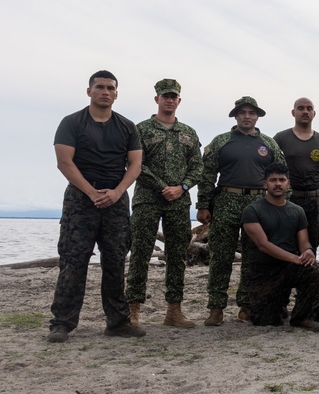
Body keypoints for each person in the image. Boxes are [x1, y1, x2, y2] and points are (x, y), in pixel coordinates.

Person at [48, 70, 145, 343]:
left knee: (115, 261)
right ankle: (62, 324)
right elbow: (64, 163)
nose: (105, 91)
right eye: (100, 87)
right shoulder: (72, 122)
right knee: (73, 261)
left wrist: (117, 192)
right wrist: (91, 192)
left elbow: (135, 164)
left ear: (116, 93)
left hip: (116, 200)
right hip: (80, 200)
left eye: (110, 88)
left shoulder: (127, 126)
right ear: (89, 91)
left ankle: (117, 322)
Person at [197, 96, 285, 326]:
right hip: (226, 200)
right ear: (236, 116)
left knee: (253, 257)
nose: (247, 116)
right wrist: (203, 205)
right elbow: (207, 175)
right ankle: (216, 308)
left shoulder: (269, 144)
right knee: (221, 256)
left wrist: (281, 204)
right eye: (242, 112)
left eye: (251, 112)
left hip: (257, 204)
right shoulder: (221, 141)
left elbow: (282, 174)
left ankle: (246, 305)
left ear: (257, 116)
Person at [125, 79, 203, 329]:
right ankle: (133, 310)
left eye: (174, 97)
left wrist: (182, 187)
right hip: (148, 199)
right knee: (140, 253)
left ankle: (173, 310)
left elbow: (198, 166)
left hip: (179, 202)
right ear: (157, 99)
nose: (169, 100)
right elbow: (135, 163)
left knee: (178, 255)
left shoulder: (189, 133)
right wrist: (162, 187)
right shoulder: (141, 129)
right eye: (165, 96)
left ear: (179, 101)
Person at [240, 164, 319, 330]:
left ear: (288, 183)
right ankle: (278, 305)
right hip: (264, 273)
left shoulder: (297, 211)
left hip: (288, 268)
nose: (278, 183)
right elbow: (263, 245)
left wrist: (308, 252)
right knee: (267, 321)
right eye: (273, 180)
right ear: (265, 184)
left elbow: (304, 242)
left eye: (282, 180)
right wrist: (295, 258)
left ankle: (301, 317)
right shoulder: (252, 210)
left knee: (313, 269)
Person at [274, 98, 319, 251]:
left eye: (309, 108)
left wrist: (311, 187)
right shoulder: (281, 138)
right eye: (301, 108)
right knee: (285, 243)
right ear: (293, 112)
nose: (305, 111)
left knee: (311, 244)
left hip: (313, 202)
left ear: (314, 113)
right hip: (287, 200)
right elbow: (269, 169)